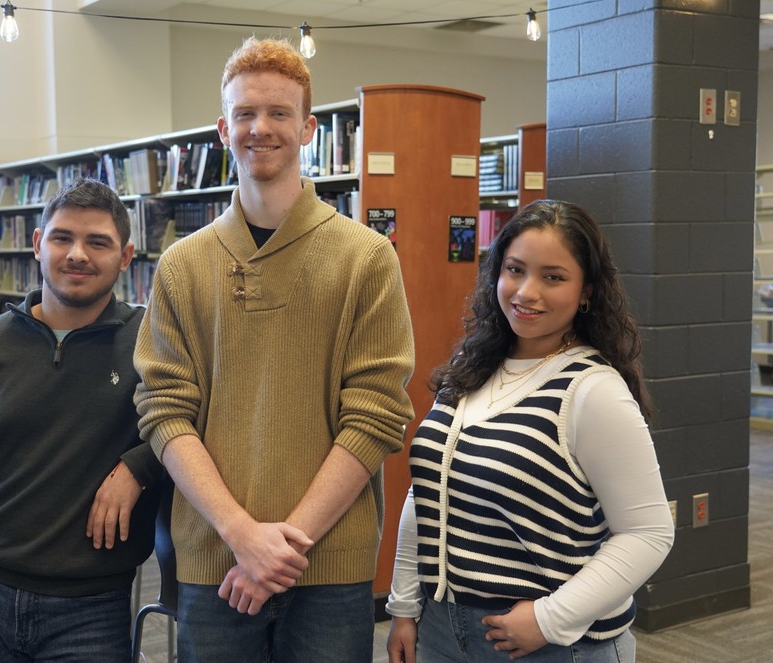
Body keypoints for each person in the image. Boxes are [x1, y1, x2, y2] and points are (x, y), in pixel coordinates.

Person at [133, 37, 416, 662]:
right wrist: (242, 535)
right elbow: (164, 409)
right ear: (222, 129)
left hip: (330, 567)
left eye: (279, 113)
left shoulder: (367, 257)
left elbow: (375, 413)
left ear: (309, 128)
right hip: (214, 562)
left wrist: (283, 547)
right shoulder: (181, 265)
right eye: (245, 114)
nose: (261, 128)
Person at [386, 199, 675, 662]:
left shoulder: (591, 389)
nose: (526, 292)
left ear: (587, 291)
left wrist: (550, 618)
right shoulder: (472, 367)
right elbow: (428, 491)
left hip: (550, 642)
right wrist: (404, 606)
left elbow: (649, 533)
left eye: (553, 277)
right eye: (515, 269)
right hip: (444, 628)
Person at [0, 178, 164, 662]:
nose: (77, 255)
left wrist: (139, 466)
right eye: (62, 238)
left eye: (98, 242)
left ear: (126, 256)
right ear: (37, 245)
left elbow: (194, 421)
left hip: (92, 604)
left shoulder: (151, 343)